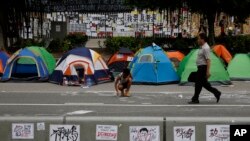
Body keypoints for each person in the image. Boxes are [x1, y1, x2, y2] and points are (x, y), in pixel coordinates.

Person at [188, 33, 221, 104]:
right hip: (200, 68)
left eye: (198, 38)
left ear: (202, 39)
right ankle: (217, 92)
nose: (197, 40)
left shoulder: (206, 48)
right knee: (202, 83)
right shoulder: (202, 47)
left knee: (198, 83)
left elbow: (208, 60)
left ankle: (195, 99)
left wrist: (208, 72)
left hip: (203, 68)